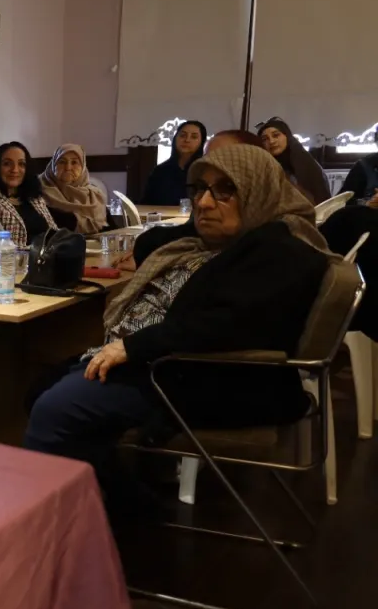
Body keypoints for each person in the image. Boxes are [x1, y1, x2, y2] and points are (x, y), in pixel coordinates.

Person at [26, 145, 330, 510]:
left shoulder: (281, 251)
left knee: (55, 408)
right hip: (179, 366)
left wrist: (131, 347)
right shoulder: (223, 243)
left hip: (209, 379)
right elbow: (157, 246)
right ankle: (126, 501)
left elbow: (226, 325)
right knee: (42, 386)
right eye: (199, 189)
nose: (204, 202)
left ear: (258, 191)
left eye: (225, 190)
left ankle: (47, 526)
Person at [121, 129, 264, 270]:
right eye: (208, 157)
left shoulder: (266, 251)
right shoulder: (165, 171)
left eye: (225, 188)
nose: (203, 202)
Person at [0, 141, 58, 247]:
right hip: (12, 256)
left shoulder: (34, 197)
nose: (15, 170)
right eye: (7, 164)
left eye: (21, 164)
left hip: (48, 254)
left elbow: (54, 232)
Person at [258, 117, 331, 205]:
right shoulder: (263, 169)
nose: (271, 141)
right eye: (265, 139)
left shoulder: (308, 163)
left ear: (287, 136)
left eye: (276, 135)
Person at [39, 143, 108, 234]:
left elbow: (111, 230)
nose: (68, 167)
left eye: (74, 162)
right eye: (62, 162)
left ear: (83, 167)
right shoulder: (39, 192)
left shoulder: (94, 195)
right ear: (53, 165)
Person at [141, 120, 208, 206]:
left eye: (194, 137)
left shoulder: (204, 170)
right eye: (182, 135)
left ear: (202, 142)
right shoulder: (161, 170)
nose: (187, 140)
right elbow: (146, 203)